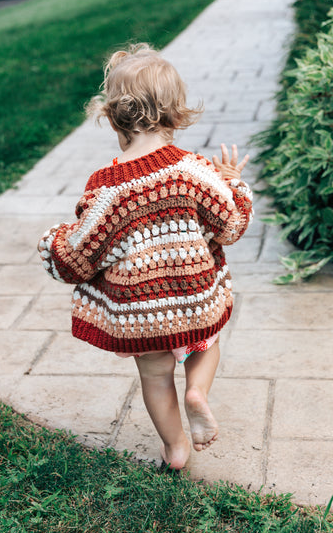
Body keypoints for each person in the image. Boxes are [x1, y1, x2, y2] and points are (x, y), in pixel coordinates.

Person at [38, 44, 253, 470]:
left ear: (114, 117)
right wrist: (235, 185)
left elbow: (81, 254)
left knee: (155, 376)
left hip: (143, 315)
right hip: (195, 301)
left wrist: (53, 243)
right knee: (206, 347)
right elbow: (230, 224)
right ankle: (197, 392)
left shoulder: (108, 187)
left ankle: (175, 448)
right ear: (175, 113)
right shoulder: (194, 170)